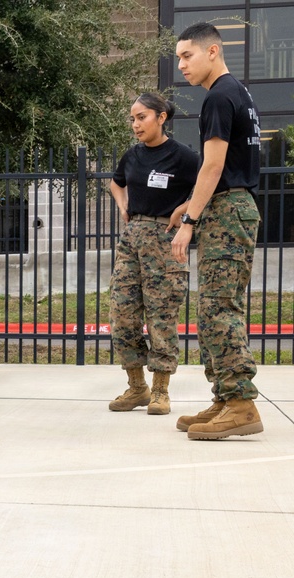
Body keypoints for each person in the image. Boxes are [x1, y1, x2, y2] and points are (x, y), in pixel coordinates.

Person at [171, 23, 264, 440]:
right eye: (177, 57)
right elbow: (225, 169)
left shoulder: (219, 97)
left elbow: (212, 165)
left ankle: (241, 403)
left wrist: (189, 223)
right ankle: (226, 397)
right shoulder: (238, 93)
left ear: (212, 51)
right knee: (218, 306)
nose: (181, 64)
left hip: (227, 212)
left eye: (187, 55)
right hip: (231, 206)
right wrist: (188, 205)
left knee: (217, 309)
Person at [107, 93, 199, 416]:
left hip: (164, 240)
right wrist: (122, 203)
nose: (135, 125)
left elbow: (211, 186)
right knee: (122, 313)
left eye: (141, 117)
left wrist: (184, 211)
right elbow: (116, 183)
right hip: (132, 240)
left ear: (161, 118)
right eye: (132, 119)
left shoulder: (183, 157)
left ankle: (161, 390)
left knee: (161, 316)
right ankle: (137, 387)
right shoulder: (132, 156)